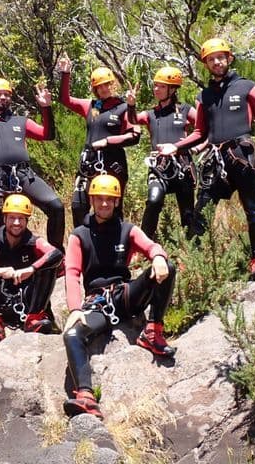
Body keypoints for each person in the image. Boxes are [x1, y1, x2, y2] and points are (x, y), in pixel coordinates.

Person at [157, 38, 255, 280]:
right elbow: (200, 133)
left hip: (242, 155)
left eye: (220, 57)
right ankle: (193, 259)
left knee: (253, 209)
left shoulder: (247, 87)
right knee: (201, 209)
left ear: (229, 58)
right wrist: (176, 147)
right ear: (206, 64)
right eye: (211, 59)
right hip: (216, 158)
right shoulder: (204, 96)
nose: (216, 62)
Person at [61, 175, 176, 420]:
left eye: (109, 200)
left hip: (125, 296)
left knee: (168, 267)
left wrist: (157, 256)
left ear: (116, 202)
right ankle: (86, 395)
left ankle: (153, 330)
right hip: (98, 304)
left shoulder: (127, 229)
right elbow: (71, 273)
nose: (104, 204)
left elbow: (149, 245)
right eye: (100, 199)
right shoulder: (79, 235)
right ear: (91, 200)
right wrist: (74, 309)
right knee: (72, 334)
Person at [0, 77, 65, 250]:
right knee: (2, 227)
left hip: (24, 175)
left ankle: (56, 257)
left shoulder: (21, 121)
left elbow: (47, 134)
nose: (2, 97)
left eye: (6, 94)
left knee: (56, 207)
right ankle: (3, 265)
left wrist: (46, 108)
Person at [0, 194, 63, 343]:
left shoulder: (32, 241)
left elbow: (56, 254)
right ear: (4, 219)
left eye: (21, 218)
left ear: (26, 221)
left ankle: (35, 318)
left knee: (48, 266)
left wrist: (31, 269)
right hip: (1, 298)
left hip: (28, 299)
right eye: (12, 218)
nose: (16, 223)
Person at [56, 54, 140, 227]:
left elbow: (134, 135)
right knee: (79, 205)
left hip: (112, 164)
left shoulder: (124, 107)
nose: (104, 89)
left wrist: (108, 141)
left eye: (107, 84)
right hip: (89, 163)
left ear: (113, 84)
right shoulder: (91, 106)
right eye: (99, 86)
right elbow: (65, 99)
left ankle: (115, 247)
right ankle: (84, 242)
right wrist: (65, 74)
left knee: (112, 210)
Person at [126, 66, 204, 241]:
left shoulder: (185, 110)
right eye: (155, 85)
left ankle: (191, 250)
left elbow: (205, 129)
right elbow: (132, 120)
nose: (156, 89)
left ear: (173, 88)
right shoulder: (151, 114)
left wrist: (195, 148)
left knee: (187, 213)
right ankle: (144, 244)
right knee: (153, 201)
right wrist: (131, 105)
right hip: (159, 167)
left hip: (182, 165)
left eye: (161, 86)